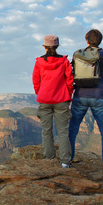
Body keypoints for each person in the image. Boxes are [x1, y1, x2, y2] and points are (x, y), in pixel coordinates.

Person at [68, 29, 103, 173]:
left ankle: (68, 161)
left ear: (87, 40)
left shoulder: (78, 53)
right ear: (100, 41)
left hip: (79, 96)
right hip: (98, 97)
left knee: (73, 130)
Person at [32, 35, 74, 168]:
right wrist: (68, 95)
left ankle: (49, 158)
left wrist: (41, 93)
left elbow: (36, 81)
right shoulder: (64, 61)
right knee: (63, 131)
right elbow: (70, 80)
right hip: (62, 99)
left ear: (44, 47)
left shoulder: (39, 62)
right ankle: (65, 162)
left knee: (46, 130)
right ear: (57, 46)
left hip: (44, 100)